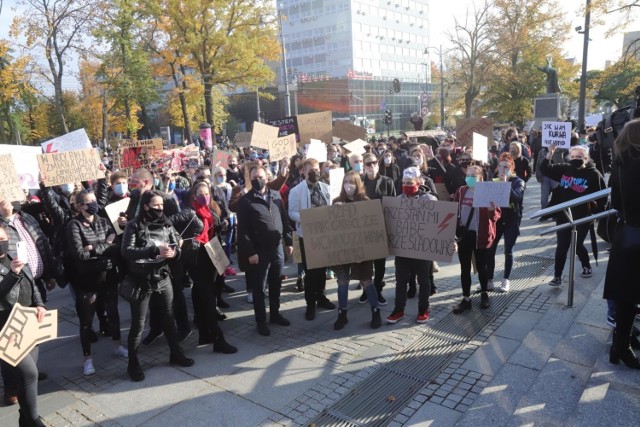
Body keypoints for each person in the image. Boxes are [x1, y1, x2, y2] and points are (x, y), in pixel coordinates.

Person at [121, 191, 194, 382]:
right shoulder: (133, 225)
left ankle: (176, 354)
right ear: (145, 206)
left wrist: (174, 253)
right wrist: (154, 250)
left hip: (162, 277)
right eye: (156, 206)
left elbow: (177, 244)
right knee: (138, 325)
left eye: (162, 205)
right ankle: (133, 363)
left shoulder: (167, 223)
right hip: (141, 281)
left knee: (169, 319)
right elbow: (127, 251)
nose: (160, 209)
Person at [66, 190, 127, 376]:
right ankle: (88, 359)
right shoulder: (74, 225)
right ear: (80, 206)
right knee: (86, 321)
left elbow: (116, 246)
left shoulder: (103, 221)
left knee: (113, 313)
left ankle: (117, 345)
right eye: (88, 202)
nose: (93, 204)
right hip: (87, 281)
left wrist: (95, 248)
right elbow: (80, 255)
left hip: (108, 277)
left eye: (94, 200)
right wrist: (105, 246)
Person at [171, 182, 237, 352]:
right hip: (196, 259)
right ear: (194, 196)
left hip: (211, 255)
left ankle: (204, 334)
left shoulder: (210, 210)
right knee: (208, 298)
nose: (205, 196)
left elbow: (212, 229)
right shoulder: (189, 212)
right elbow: (168, 222)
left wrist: (221, 227)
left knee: (204, 296)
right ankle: (218, 338)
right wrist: (177, 238)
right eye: (201, 194)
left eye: (207, 193)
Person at [236, 165, 294, 336]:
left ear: (267, 178)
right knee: (259, 288)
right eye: (254, 177)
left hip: (277, 248)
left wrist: (289, 241)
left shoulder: (275, 196)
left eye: (260, 176)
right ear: (250, 179)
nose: (257, 180)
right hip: (259, 250)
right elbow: (243, 231)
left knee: (276, 283)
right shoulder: (245, 201)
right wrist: (250, 252)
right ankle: (261, 321)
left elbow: (284, 220)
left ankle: (275, 315)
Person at [0, 224, 47, 426]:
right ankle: (34, 421)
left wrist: (39, 304)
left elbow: (32, 284)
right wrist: (13, 274)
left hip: (27, 322)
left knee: (26, 378)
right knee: (29, 374)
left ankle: (25, 419)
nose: (1, 242)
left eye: (2, 237)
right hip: (5, 328)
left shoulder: (13, 256)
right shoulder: (13, 266)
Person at [539, 145, 606, 286]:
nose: (576, 159)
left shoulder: (594, 174)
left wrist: (595, 213)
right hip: (564, 215)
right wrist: (549, 154)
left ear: (586, 158)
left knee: (577, 244)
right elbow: (544, 169)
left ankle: (586, 265)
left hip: (583, 216)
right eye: (573, 156)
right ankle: (557, 276)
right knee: (562, 246)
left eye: (579, 157)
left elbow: (602, 197)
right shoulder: (565, 168)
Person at [603, 118, 640, 369]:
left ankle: (621, 345)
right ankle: (622, 346)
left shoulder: (619, 164)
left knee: (626, 295)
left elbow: (615, 201)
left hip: (625, 233)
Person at [386, 167, 437, 324]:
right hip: (404, 249)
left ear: (418, 182)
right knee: (401, 280)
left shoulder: (429, 200)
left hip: (422, 248)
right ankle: (398, 309)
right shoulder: (398, 200)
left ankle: (423, 309)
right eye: (404, 183)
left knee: (424, 280)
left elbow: (439, 223)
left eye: (410, 182)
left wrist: (451, 241)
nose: (406, 185)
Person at [331, 171, 381, 330]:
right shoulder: (337, 201)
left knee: (366, 280)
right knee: (342, 281)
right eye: (346, 182)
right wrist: (335, 212)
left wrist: (364, 251)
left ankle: (375, 311)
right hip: (343, 249)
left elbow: (370, 228)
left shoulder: (365, 202)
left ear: (358, 184)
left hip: (361, 250)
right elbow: (331, 227)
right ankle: (342, 313)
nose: (348, 186)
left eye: (352, 182)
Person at [288, 159, 335, 320]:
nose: (314, 172)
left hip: (324, 234)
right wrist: (306, 218)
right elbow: (291, 212)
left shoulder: (326, 188)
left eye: (316, 169)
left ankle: (321, 297)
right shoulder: (296, 191)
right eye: (311, 170)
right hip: (307, 235)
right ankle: (310, 304)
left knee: (322, 269)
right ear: (304, 172)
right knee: (310, 272)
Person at [452, 165, 501, 314]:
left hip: (481, 235)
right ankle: (466, 299)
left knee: (482, 267)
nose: (469, 178)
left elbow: (497, 216)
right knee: (464, 268)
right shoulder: (461, 191)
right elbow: (454, 211)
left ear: (480, 177)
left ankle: (484, 294)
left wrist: (493, 209)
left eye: (473, 175)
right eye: (468, 174)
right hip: (464, 236)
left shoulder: (488, 192)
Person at [484, 154, 525, 293]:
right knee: (490, 250)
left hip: (512, 220)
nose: (502, 170)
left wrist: (505, 183)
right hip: (497, 221)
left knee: (508, 250)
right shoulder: (492, 181)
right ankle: (489, 279)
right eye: (500, 167)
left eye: (506, 167)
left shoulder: (518, 181)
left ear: (512, 168)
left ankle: (505, 280)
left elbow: (516, 197)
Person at [361, 152, 396, 305]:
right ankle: (366, 290)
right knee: (365, 263)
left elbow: (393, 206)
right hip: (364, 230)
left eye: (374, 162)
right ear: (364, 166)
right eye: (368, 163)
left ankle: (378, 289)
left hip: (382, 229)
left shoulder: (387, 182)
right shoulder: (359, 183)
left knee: (380, 263)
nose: (372, 166)